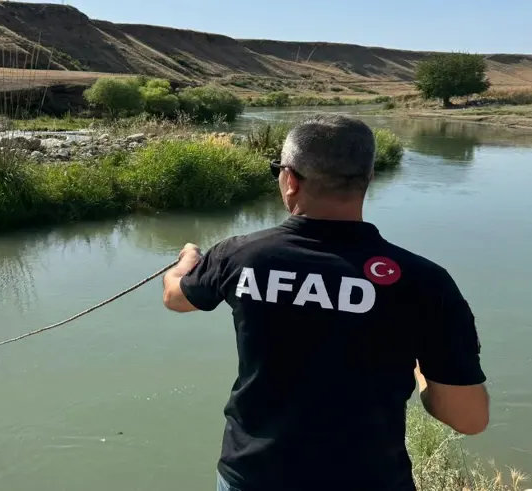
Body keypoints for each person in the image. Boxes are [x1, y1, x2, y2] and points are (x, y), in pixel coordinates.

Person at [161, 114, 489, 491]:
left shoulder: (240, 256)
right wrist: (420, 372)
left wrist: (187, 260)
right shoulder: (424, 281)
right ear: (368, 180)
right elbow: (469, 419)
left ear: (290, 179)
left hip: (253, 476)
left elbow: (177, 297)